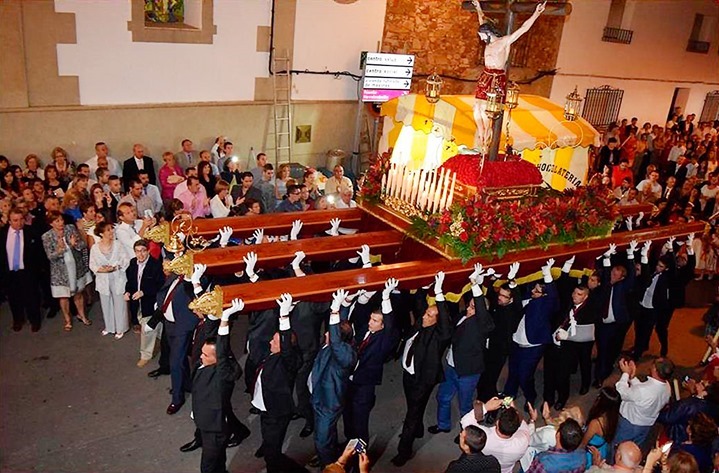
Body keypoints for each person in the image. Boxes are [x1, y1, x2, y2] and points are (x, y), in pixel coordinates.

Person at [392, 273, 451, 467]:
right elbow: (418, 303)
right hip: (408, 375)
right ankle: (417, 428)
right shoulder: (421, 322)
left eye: (430, 315)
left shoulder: (440, 336)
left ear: (438, 319)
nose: (425, 316)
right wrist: (424, 287)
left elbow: (444, 323)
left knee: (412, 414)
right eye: (426, 313)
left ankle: (404, 451)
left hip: (422, 380)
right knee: (414, 407)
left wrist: (440, 292)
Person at [430, 264, 495, 435]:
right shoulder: (462, 316)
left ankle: (467, 433)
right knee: (442, 397)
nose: (468, 308)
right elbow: (446, 322)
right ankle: (443, 425)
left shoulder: (484, 325)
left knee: (465, 405)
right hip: (451, 367)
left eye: (473, 306)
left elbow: (481, 310)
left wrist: (475, 285)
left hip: (468, 372)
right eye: (469, 304)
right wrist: (439, 295)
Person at [472, 0, 545, 150]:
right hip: (486, 76)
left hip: (496, 78)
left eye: (481, 35)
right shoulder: (488, 44)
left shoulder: (503, 42)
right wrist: (479, 7)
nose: (481, 39)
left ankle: (486, 136)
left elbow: (523, 29)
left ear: (488, 33)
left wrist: (536, 13)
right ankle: (481, 134)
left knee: (487, 111)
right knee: (476, 108)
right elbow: (482, 20)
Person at [252, 293, 306, 473]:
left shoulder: (288, 361)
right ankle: (268, 447)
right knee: (269, 444)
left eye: (274, 341)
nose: (269, 342)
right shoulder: (274, 355)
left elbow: (287, 348)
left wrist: (284, 318)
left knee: (273, 456)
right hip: (266, 407)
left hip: (276, 413)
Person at [191, 298, 246, 473]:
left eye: (206, 355)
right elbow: (209, 332)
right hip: (207, 423)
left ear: (217, 360)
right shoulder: (207, 363)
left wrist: (225, 320)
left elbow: (222, 349)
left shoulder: (222, 375)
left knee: (207, 467)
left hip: (214, 431)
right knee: (218, 461)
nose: (201, 357)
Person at [344, 277, 401, 443]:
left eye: (375, 321)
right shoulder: (365, 330)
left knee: (360, 422)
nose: (370, 322)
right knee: (347, 415)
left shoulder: (386, 339)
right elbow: (359, 313)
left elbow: (390, 324)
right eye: (371, 319)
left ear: (383, 325)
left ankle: (360, 457)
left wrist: (385, 298)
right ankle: (349, 443)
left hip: (364, 386)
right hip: (349, 381)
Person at [504, 259, 558, 411]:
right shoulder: (529, 298)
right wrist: (512, 282)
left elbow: (553, 296)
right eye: (533, 289)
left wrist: (547, 273)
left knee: (524, 376)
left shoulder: (546, 304)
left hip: (532, 347)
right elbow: (517, 302)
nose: (533, 292)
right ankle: (508, 398)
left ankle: (530, 398)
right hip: (517, 343)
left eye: (537, 291)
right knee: (513, 373)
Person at [310, 290, 357, 468]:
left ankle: (329, 467)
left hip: (328, 405)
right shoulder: (337, 345)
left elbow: (336, 337)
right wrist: (343, 304)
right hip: (319, 398)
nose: (326, 334)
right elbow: (342, 326)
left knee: (322, 440)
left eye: (330, 332)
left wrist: (334, 311)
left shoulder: (345, 356)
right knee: (326, 436)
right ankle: (328, 454)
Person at [157, 261, 205, 415]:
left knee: (175, 362)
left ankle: (177, 399)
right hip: (169, 323)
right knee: (179, 359)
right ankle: (184, 384)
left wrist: (193, 278)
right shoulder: (176, 274)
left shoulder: (198, 279)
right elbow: (165, 290)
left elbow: (195, 293)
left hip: (182, 326)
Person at [594, 242, 637, 387]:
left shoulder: (622, 287)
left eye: (616, 276)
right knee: (602, 350)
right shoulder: (605, 284)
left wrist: (631, 255)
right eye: (612, 273)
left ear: (621, 278)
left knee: (611, 350)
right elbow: (604, 271)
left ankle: (604, 371)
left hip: (616, 324)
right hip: (602, 324)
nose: (612, 277)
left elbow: (632, 278)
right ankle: (601, 372)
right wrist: (607, 256)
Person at [41, 211, 92, 331]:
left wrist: (74, 245)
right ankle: (67, 320)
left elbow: (82, 245)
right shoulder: (47, 236)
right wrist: (60, 249)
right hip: (60, 272)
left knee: (78, 293)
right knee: (64, 297)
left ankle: (82, 315)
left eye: (61, 220)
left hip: (76, 267)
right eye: (57, 221)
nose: (61, 223)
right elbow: (50, 256)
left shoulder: (70, 228)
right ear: (51, 223)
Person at [613, 357, 673, 449]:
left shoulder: (644, 391)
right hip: (646, 425)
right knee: (635, 448)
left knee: (618, 448)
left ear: (655, 370)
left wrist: (625, 373)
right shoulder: (667, 387)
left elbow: (622, 392)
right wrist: (632, 377)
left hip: (629, 424)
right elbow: (641, 392)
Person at [460, 397, 531, 473]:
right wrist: (514, 410)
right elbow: (523, 425)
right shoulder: (523, 442)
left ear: (497, 422)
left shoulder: (483, 438)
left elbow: (465, 421)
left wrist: (486, 407)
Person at [0, 207, 43, 332]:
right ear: (9, 221)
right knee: (14, 298)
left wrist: (39, 270)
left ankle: (34, 320)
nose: (18, 223)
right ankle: (18, 320)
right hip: (10, 273)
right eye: (15, 220)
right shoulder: (2, 234)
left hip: (27, 272)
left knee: (32, 297)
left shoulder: (31, 232)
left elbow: (38, 253)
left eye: (20, 220)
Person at [124, 239, 165, 367]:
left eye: (143, 251)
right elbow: (130, 281)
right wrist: (127, 292)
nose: (140, 254)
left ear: (148, 251)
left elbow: (160, 285)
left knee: (147, 329)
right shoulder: (132, 263)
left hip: (150, 302)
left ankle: (145, 355)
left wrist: (144, 292)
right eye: (137, 251)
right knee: (154, 326)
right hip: (137, 302)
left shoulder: (155, 265)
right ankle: (162, 340)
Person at [89, 222, 129, 340]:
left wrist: (115, 267)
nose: (111, 232)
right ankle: (109, 326)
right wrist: (101, 270)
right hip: (103, 279)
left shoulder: (118, 244)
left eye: (112, 229)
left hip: (118, 277)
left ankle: (121, 328)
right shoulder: (95, 248)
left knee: (119, 302)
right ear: (101, 233)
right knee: (105, 302)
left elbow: (125, 260)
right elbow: (92, 264)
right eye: (108, 230)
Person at [581, 387, 621, 466]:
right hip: (602, 448)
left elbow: (583, 442)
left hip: (592, 453)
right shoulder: (614, 417)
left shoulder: (595, 423)